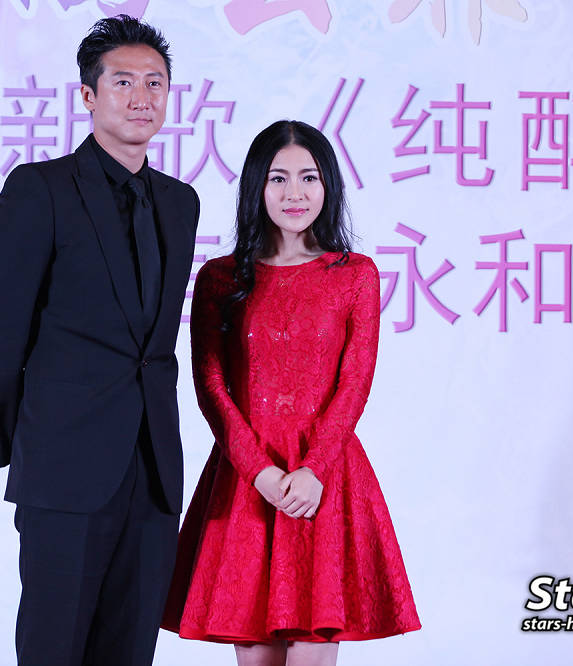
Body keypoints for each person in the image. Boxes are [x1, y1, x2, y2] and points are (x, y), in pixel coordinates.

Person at [0, 15, 199, 665]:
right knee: (54, 647)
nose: (142, 96)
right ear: (89, 96)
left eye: (155, 82)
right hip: (62, 467)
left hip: (153, 471)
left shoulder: (180, 204)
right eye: (123, 82)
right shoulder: (40, 190)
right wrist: (18, 442)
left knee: (131, 651)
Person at [161, 120, 421, 665]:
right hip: (246, 480)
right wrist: (260, 472)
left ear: (329, 186)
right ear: (257, 186)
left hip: (322, 481)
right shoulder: (220, 278)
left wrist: (314, 469)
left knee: (312, 648)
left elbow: (355, 382)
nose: (294, 193)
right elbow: (211, 385)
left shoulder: (354, 275)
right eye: (278, 178)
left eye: (309, 177)